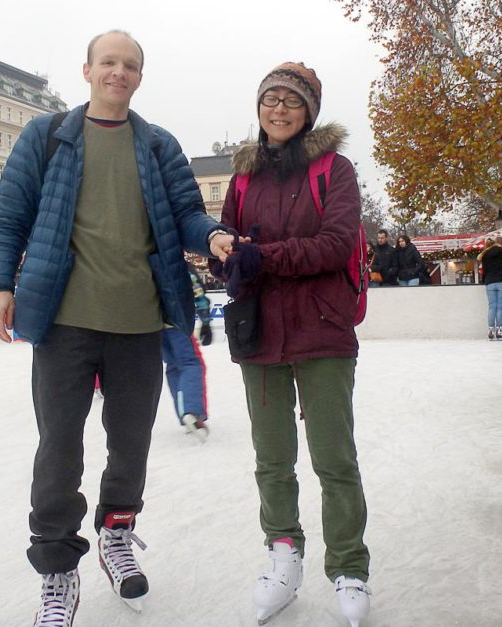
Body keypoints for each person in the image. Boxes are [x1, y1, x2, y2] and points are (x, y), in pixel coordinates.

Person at [0, 30, 234, 627]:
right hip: (63, 322)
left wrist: (213, 235)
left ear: (140, 77)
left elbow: (185, 213)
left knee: (131, 444)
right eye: (110, 63)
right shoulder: (46, 137)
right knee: (58, 450)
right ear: (88, 70)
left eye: (131, 65)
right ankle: (57, 570)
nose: (119, 73)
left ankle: (116, 535)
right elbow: (9, 217)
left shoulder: (158, 145)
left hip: (139, 323)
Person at [213, 62, 371, 627]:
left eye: (291, 101)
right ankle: (284, 554)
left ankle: (349, 565)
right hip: (257, 332)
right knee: (271, 459)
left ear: (309, 113)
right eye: (270, 99)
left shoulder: (335, 170)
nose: (278, 109)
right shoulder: (242, 178)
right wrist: (224, 253)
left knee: (334, 458)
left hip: (322, 328)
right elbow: (229, 241)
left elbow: (333, 245)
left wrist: (264, 255)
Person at [161, 265, 212, 442]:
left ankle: (184, 412)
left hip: (155, 327)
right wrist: (205, 320)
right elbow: (197, 291)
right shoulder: (179, 265)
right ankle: (192, 411)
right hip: (177, 324)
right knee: (192, 364)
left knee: (174, 366)